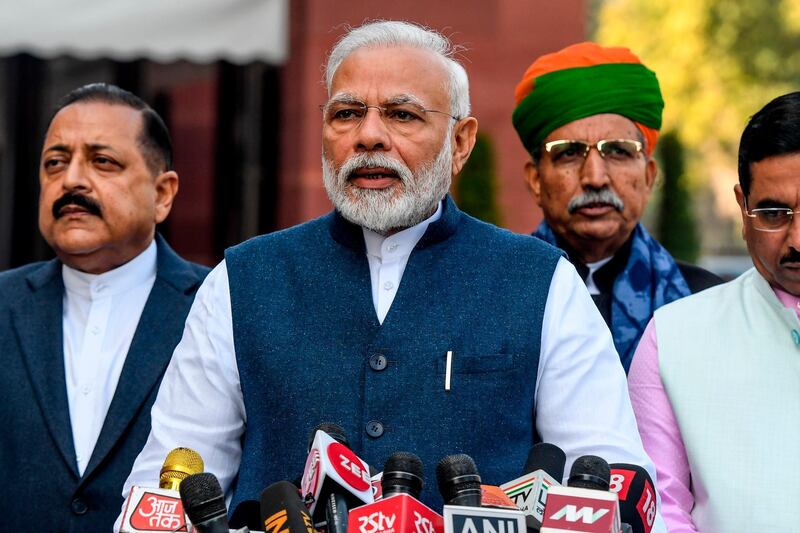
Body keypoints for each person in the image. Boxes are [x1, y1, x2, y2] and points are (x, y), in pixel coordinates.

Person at [121, 21, 665, 530]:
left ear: (460, 142)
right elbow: (169, 483)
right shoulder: (242, 281)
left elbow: (605, 485)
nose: (370, 136)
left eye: (402, 115)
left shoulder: (542, 282)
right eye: (347, 113)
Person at [0, 83, 209, 531]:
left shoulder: (217, 307)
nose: (71, 179)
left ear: (162, 195)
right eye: (55, 162)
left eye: (102, 162)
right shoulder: (4, 305)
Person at [628, 92, 800, 532]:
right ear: (743, 207)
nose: (797, 240)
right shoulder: (676, 337)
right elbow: (660, 507)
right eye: (774, 213)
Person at [512, 42, 721, 371]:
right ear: (536, 180)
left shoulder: (707, 302)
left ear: (649, 176)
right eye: (568, 152)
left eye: (618, 151)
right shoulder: (492, 294)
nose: (595, 178)